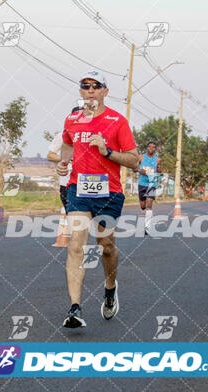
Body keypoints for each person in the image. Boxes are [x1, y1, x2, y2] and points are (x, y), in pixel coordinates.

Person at [56, 70, 138, 328]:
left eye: (96, 86)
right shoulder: (72, 120)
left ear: (105, 91)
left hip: (109, 192)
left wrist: (107, 151)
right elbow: (68, 142)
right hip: (78, 190)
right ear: (81, 91)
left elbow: (134, 159)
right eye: (85, 86)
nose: (90, 90)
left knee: (107, 246)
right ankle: (75, 308)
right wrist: (64, 162)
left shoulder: (117, 121)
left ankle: (110, 287)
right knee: (76, 244)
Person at [47, 105, 83, 210]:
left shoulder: (92, 135)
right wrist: (68, 158)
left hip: (88, 184)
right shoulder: (62, 136)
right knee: (73, 217)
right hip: (67, 183)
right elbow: (50, 155)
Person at [134, 141, 161, 233]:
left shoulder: (157, 160)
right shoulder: (141, 157)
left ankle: (147, 227)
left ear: (155, 149)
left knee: (149, 205)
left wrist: (158, 171)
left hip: (151, 184)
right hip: (142, 184)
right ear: (147, 148)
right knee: (143, 206)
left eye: (153, 147)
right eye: (149, 146)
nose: (151, 148)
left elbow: (159, 171)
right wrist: (139, 170)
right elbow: (134, 168)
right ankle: (144, 210)